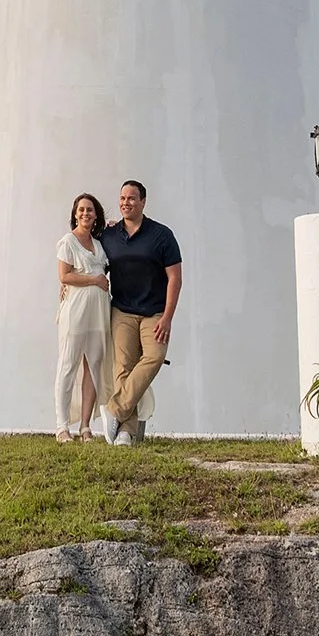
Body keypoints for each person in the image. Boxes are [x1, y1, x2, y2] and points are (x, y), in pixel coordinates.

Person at [98, 179, 181, 444]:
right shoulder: (109, 235)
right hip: (122, 311)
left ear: (143, 202)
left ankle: (114, 409)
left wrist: (167, 317)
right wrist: (68, 283)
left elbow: (175, 278)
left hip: (154, 313)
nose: (126, 203)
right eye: (122, 198)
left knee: (154, 357)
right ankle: (126, 431)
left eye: (132, 198)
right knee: (123, 368)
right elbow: (87, 254)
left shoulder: (161, 235)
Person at [53, 193, 113, 441]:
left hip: (98, 312)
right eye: (81, 210)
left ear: (96, 214)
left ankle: (85, 426)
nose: (85, 214)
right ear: (75, 214)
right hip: (76, 310)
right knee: (68, 364)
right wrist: (95, 280)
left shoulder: (99, 244)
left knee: (93, 366)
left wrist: (112, 226)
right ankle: (62, 425)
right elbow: (64, 276)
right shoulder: (68, 242)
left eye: (89, 210)